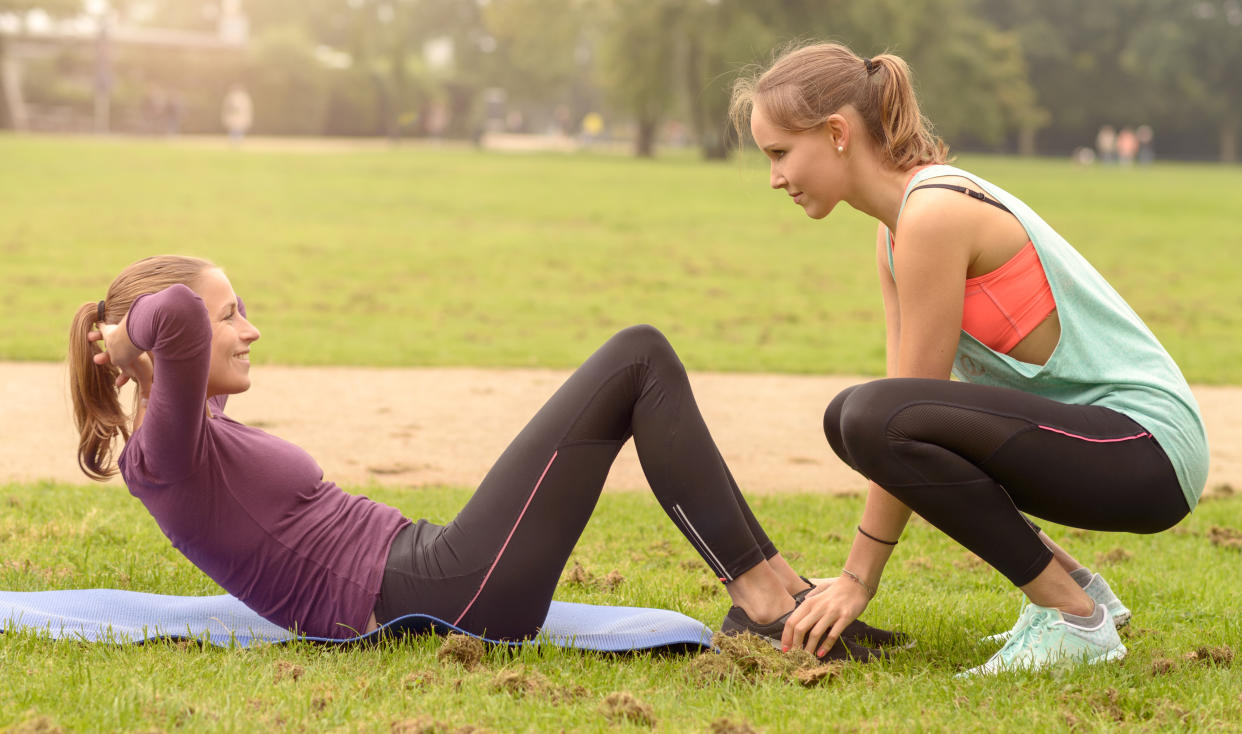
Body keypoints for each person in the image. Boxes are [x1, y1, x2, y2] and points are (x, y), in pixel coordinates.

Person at [68, 255, 904, 657]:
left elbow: (181, 323)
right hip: (440, 592)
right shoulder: (162, 454)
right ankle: (765, 599)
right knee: (637, 354)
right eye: (232, 316)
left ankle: (780, 594)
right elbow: (174, 311)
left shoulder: (199, 425)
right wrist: (120, 332)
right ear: (155, 355)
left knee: (638, 360)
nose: (249, 331)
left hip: (434, 568)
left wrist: (131, 337)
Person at [730, 43, 1208, 674]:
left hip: (1147, 449)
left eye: (780, 154)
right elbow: (899, 410)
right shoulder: (896, 229)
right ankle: (1081, 593)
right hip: (1100, 445)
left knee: (872, 416)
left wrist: (856, 578)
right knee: (850, 417)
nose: (775, 178)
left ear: (838, 133)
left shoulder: (933, 215)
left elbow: (901, 411)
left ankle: (1073, 620)